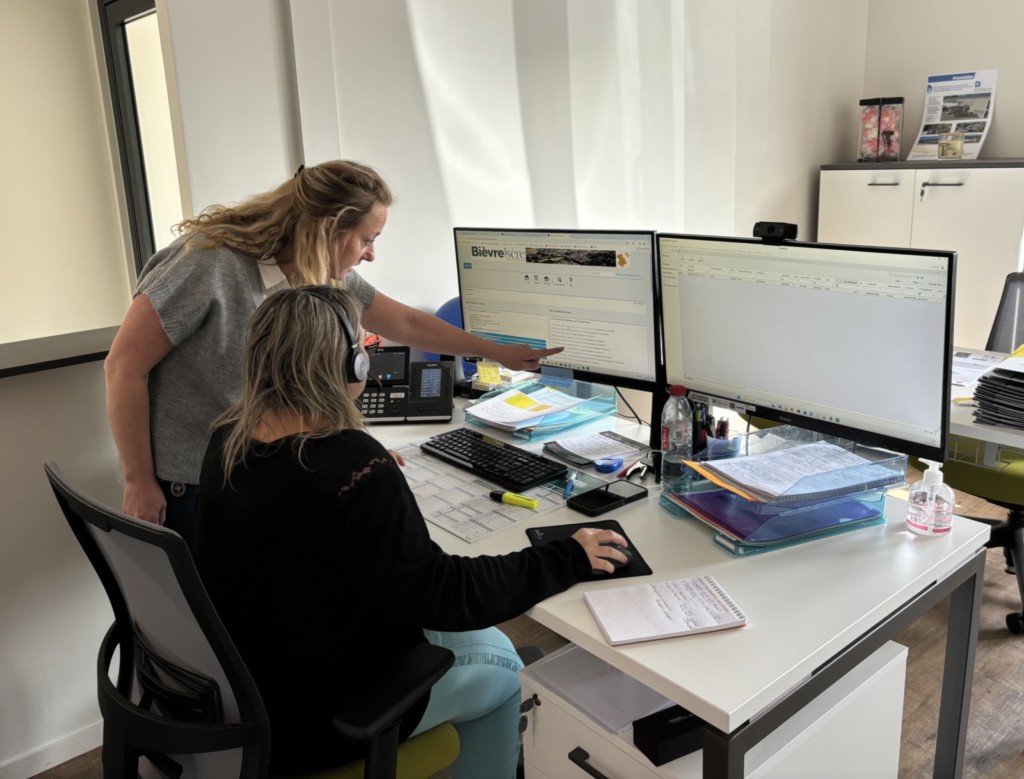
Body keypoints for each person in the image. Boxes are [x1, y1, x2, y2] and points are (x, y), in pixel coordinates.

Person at [194, 285, 628, 776]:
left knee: (486, 646)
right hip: (321, 717)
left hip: (252, 683)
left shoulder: (227, 437)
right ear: (352, 365)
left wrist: (363, 461)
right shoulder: (350, 463)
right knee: (507, 667)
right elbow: (445, 593)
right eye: (362, 346)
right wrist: (566, 556)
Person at [104, 160, 562, 545]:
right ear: (329, 228)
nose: (370, 255)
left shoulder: (317, 268)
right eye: (367, 239)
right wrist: (138, 479)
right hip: (189, 477)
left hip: (255, 465)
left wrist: (495, 351)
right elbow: (123, 368)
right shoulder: (208, 264)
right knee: (216, 609)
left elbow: (402, 323)